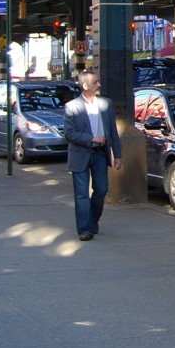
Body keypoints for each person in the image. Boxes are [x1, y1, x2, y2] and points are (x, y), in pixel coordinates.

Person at [63, 69, 122, 241]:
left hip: (100, 154)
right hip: (80, 153)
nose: (99, 85)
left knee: (101, 189)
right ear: (85, 85)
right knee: (81, 194)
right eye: (96, 82)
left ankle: (92, 219)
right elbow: (69, 133)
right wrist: (91, 138)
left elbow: (112, 131)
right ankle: (84, 229)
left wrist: (117, 155)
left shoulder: (106, 104)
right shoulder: (72, 107)